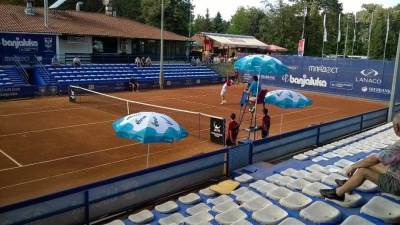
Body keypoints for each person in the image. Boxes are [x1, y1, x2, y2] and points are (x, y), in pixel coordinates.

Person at [320, 113, 400, 201]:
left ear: (397, 127)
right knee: (369, 164)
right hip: (396, 174)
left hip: (397, 185)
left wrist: (353, 166)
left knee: (363, 170)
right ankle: (348, 185)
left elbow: (374, 159)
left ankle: (338, 193)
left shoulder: (398, 146)